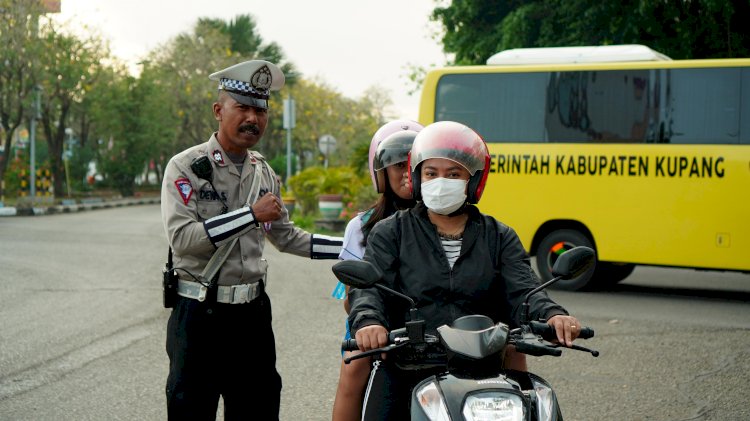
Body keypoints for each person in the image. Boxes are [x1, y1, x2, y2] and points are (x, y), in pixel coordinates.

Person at [347, 121, 584, 420]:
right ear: (418, 177)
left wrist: (552, 315)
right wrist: (369, 322)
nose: (440, 181)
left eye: (454, 173)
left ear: (474, 181)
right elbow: (370, 286)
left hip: (487, 367)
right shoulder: (391, 232)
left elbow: (524, 289)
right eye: (431, 173)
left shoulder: (499, 236)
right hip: (408, 363)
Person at [160, 59, 342, 420]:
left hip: (252, 318)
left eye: (260, 110)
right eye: (241, 107)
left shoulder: (264, 171)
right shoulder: (185, 167)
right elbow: (183, 240)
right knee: (192, 410)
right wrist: (250, 215)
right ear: (218, 110)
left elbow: (287, 237)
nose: (252, 118)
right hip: (200, 315)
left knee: (258, 410)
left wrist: (351, 246)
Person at [331, 119, 423, 421]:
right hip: (377, 318)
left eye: (416, 163)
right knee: (355, 365)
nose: (407, 173)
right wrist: (370, 323)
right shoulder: (361, 226)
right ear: (380, 172)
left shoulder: (446, 219)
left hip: (430, 314)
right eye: (398, 165)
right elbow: (352, 296)